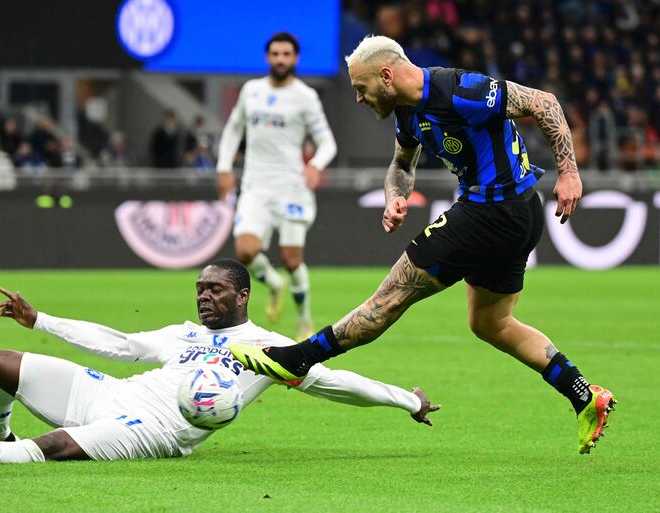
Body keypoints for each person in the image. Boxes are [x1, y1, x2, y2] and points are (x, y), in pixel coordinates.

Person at [230, 36, 615, 455]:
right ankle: (583, 393)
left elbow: (544, 102)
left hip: (492, 210)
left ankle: (296, 358)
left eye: (361, 88)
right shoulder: (407, 112)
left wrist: (569, 173)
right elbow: (401, 164)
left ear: (387, 76)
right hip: (517, 214)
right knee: (491, 323)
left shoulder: (460, 89)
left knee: (390, 297)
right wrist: (396, 194)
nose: (358, 98)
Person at [0, 259, 439, 464]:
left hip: (154, 430)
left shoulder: (269, 350)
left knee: (49, 448)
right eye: (200, 289)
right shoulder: (182, 333)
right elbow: (117, 343)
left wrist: (406, 400)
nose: (204, 297)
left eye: (215, 290)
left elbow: (335, 381)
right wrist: (40, 321)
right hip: (113, 393)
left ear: (243, 296)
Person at [217, 32, 337, 341]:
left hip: (291, 186)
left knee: (291, 259)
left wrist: (315, 166)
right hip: (256, 184)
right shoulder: (251, 90)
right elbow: (233, 130)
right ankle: (273, 282)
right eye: (275, 54)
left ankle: (304, 319)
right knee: (245, 250)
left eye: (286, 54)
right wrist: (224, 167)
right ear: (267, 57)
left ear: (295, 58)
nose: (280, 59)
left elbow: (327, 143)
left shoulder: (305, 96)